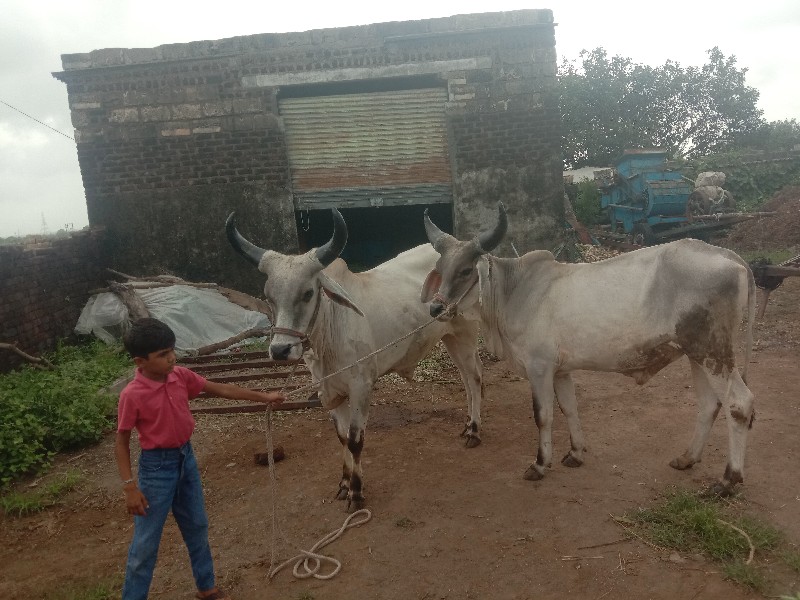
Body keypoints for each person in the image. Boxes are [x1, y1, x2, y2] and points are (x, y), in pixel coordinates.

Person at [115, 317, 285, 600]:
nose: (172, 358)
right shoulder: (131, 395)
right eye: (162, 355)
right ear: (139, 362)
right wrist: (130, 487)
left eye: (172, 351)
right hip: (156, 470)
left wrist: (263, 396)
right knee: (145, 544)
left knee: (197, 526)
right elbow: (121, 443)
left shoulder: (180, 376)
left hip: (186, 460)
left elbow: (222, 389)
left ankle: (207, 588)